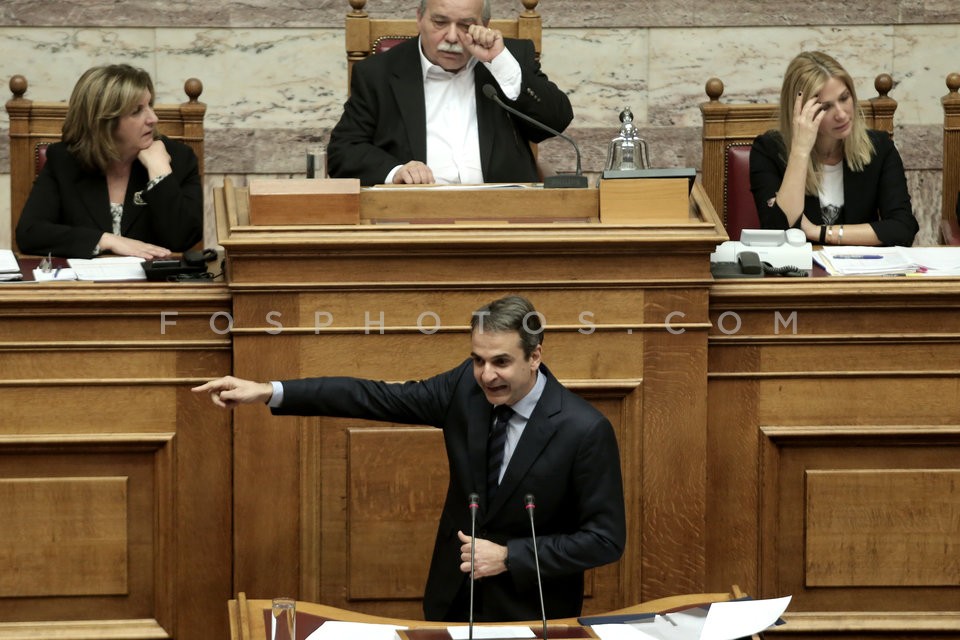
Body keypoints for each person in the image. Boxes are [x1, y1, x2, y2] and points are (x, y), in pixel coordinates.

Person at [193, 295, 625, 622]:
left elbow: (605, 539)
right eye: (477, 360)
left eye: (501, 362)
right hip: (450, 602)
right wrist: (270, 390)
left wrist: (511, 556)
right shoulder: (464, 389)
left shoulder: (583, 430)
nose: (486, 375)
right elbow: (375, 396)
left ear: (535, 356)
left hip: (533, 614)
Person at [326, 0, 574, 186]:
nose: (453, 37)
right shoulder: (378, 73)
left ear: (484, 26)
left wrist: (499, 63)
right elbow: (343, 152)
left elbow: (555, 122)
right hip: (413, 220)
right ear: (419, 18)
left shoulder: (509, 59)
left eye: (466, 25)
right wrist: (396, 172)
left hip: (503, 217)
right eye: (440, 22)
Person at [16, 64, 203, 259]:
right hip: (84, 287)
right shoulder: (65, 160)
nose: (153, 118)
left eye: (150, 105)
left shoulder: (178, 158)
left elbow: (183, 239)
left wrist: (159, 172)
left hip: (155, 287)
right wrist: (106, 240)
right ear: (103, 122)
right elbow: (30, 233)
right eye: (137, 111)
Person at [750, 51, 919, 247]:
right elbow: (778, 231)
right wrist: (800, 151)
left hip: (861, 270)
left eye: (844, 98)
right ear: (801, 112)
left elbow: (903, 228)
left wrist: (818, 232)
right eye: (825, 107)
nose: (841, 114)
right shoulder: (769, 151)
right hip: (799, 273)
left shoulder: (879, 148)